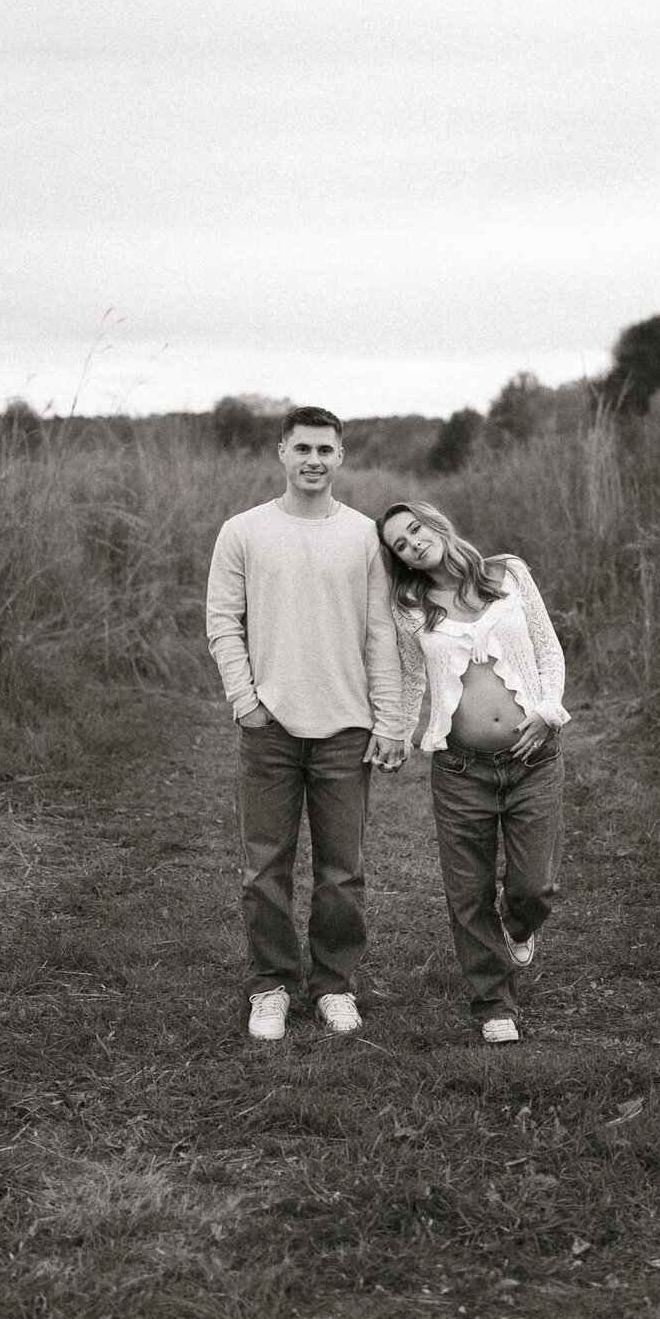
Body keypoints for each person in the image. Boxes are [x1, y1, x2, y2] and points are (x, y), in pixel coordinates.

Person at [207, 406, 406, 1042]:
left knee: (341, 870)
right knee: (264, 867)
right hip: (269, 728)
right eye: (302, 449)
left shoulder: (365, 537)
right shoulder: (242, 532)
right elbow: (222, 623)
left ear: (341, 456)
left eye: (325, 449)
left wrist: (389, 720)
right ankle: (271, 985)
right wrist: (247, 701)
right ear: (281, 452)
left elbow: (382, 633)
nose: (313, 460)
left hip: (345, 728)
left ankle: (334, 986)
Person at [377, 500, 570, 1044]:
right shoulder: (410, 606)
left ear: (435, 523)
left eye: (415, 529)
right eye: (400, 544)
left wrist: (549, 710)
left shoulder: (509, 574)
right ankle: (493, 1006)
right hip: (461, 770)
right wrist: (396, 731)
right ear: (401, 560)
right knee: (469, 892)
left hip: (534, 760)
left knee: (535, 886)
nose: (413, 543)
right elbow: (413, 678)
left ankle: (519, 926)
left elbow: (548, 649)